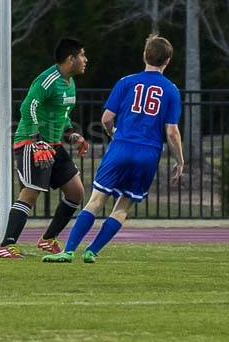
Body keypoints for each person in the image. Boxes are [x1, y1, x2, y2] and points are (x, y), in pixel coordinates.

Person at [43, 35, 184, 264]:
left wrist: (113, 134)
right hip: (148, 153)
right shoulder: (171, 90)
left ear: (144, 55)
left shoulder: (126, 82)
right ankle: (93, 250)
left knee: (96, 200)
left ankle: (68, 251)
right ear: (167, 61)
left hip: (121, 146)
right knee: (123, 206)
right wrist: (180, 160)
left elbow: (107, 118)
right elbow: (171, 132)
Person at [0, 38, 89, 260]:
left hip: (53, 145)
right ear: (70, 59)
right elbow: (29, 106)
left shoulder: (69, 82)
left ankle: (47, 239)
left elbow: (61, 115)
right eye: (82, 55)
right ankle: (6, 245)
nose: (86, 60)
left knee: (76, 192)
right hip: (31, 142)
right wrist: (37, 140)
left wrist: (72, 134)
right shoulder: (48, 80)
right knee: (31, 192)